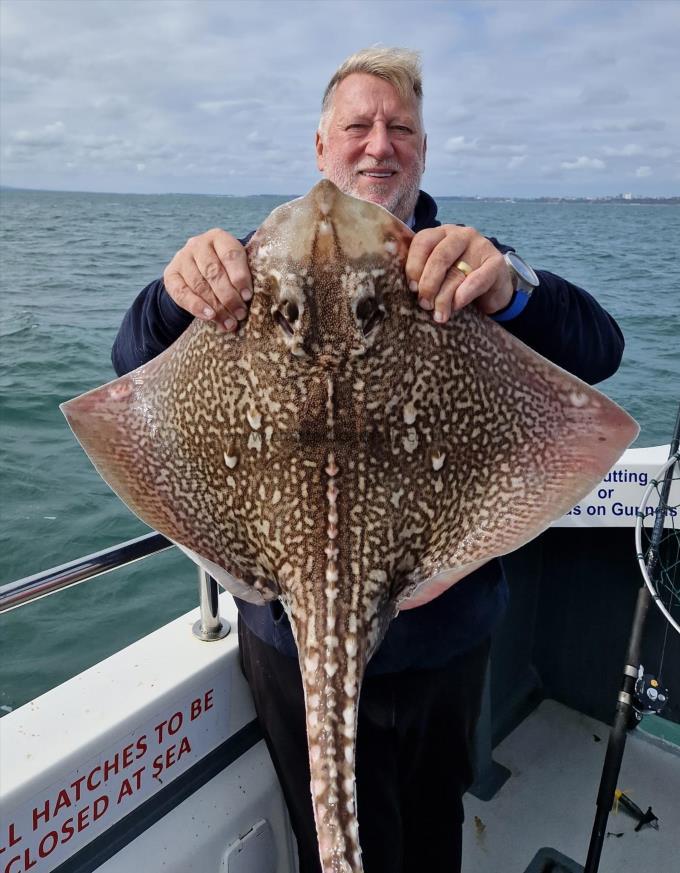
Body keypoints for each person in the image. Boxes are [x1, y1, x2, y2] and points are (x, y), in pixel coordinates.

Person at [112, 48, 624, 873]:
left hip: (445, 640)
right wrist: (174, 292)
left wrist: (512, 289)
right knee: (330, 847)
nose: (378, 144)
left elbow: (601, 349)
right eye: (358, 125)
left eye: (401, 128)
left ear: (422, 151)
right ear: (322, 147)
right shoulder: (248, 269)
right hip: (289, 637)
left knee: (431, 837)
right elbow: (130, 360)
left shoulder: (466, 266)